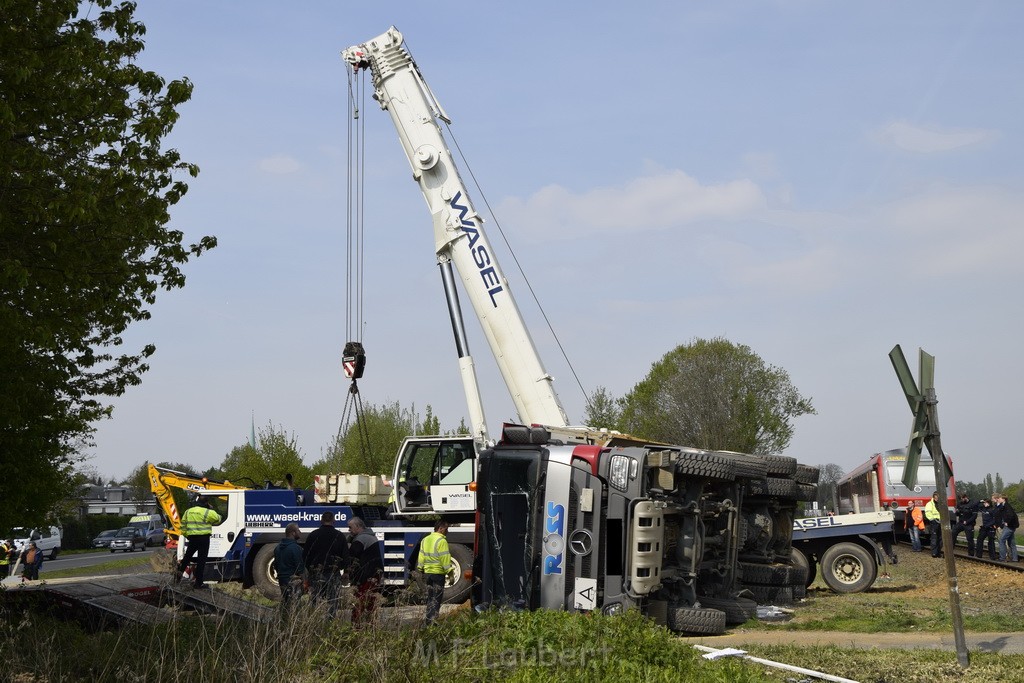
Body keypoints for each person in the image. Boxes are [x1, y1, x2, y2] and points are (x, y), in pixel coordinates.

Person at [303, 511, 349, 617]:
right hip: (333, 572)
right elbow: (345, 556)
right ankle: (330, 620)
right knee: (333, 600)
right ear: (334, 521)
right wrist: (346, 571)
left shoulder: (313, 535)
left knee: (315, 598)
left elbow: (306, 555)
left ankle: (314, 620)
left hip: (316, 573)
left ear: (321, 520)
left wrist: (310, 569)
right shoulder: (339, 535)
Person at [175, 497, 223, 589]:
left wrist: (187, 536)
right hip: (204, 539)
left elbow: (183, 527)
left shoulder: (188, 511)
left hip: (192, 538)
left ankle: (177, 578)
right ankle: (199, 583)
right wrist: (211, 509)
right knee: (201, 561)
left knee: (186, 558)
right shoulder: (208, 512)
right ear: (206, 503)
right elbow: (218, 519)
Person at [348, 517, 384, 625]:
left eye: (350, 527)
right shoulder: (370, 537)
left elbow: (352, 555)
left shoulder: (361, 539)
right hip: (373, 574)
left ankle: (356, 625)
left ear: (358, 527)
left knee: (360, 602)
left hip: (365, 575)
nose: (349, 530)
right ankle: (370, 625)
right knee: (370, 602)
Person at [417, 520, 452, 625]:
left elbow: (421, 555)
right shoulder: (441, 541)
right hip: (438, 573)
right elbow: (444, 558)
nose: (447, 531)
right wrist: (450, 573)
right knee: (436, 599)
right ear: (440, 529)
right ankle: (433, 622)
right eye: (446, 529)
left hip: (428, 573)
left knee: (430, 598)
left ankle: (428, 621)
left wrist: (420, 568)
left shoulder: (425, 540)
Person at [274, 523, 305, 606]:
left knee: (286, 602)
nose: (300, 532)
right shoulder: (296, 548)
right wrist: (304, 581)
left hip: (282, 580)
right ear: (293, 533)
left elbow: (276, 565)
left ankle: (284, 617)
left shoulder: (277, 548)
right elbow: (300, 567)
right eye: (298, 530)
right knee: (295, 604)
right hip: (293, 581)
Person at [993, 493, 1020, 562]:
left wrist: (1007, 522)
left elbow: (1011, 515)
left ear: (1003, 499)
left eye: (999, 498)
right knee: (1011, 543)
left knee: (1002, 540)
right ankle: (1015, 558)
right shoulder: (1004, 506)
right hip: (1012, 526)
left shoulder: (1007, 506)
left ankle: (1002, 558)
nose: (998, 499)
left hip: (1010, 526)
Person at [923, 492, 943, 558]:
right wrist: (933, 520)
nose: (937, 499)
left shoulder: (941, 504)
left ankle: (939, 552)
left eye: (938, 498)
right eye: (936, 498)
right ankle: (934, 553)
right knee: (934, 538)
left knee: (940, 538)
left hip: (941, 522)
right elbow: (928, 513)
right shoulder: (929, 504)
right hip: (934, 522)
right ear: (934, 498)